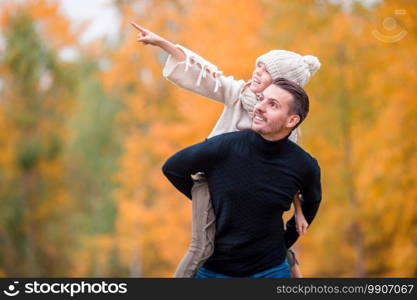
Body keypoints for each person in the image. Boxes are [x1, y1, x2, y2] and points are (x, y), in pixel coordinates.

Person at [131, 23, 320, 277]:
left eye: (266, 73)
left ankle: (287, 264)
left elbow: (289, 175)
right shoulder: (237, 93)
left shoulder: (286, 130)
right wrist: (164, 44)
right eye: (258, 66)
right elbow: (203, 74)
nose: (257, 73)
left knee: (272, 240)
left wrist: (298, 211)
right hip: (213, 180)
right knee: (201, 247)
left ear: (284, 86)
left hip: (254, 190)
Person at [162, 78, 322, 278]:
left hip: (271, 271)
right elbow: (172, 168)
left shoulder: (304, 165)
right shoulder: (224, 147)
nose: (260, 107)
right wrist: (208, 202)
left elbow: (312, 201)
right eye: (261, 99)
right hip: (214, 272)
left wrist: (285, 242)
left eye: (273, 105)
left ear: (291, 120)